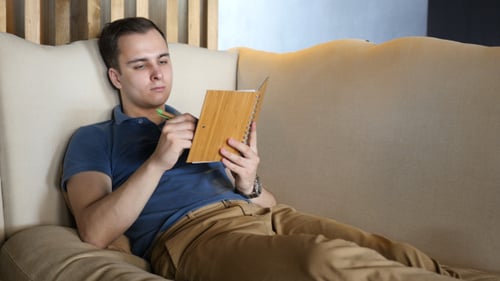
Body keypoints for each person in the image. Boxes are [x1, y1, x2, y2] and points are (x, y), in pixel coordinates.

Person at [61, 17, 461, 281]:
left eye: (163, 60)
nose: (157, 73)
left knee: (383, 249)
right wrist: (157, 163)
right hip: (195, 238)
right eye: (140, 64)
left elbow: (269, 203)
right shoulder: (94, 138)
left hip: (265, 215)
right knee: (324, 261)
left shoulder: (200, 121)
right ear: (115, 75)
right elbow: (94, 231)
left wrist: (249, 179)